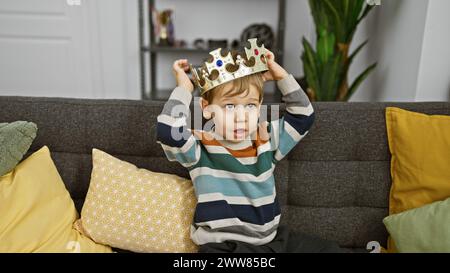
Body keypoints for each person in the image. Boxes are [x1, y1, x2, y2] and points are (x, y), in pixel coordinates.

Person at [156, 41, 343, 253]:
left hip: (271, 240)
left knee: (330, 250)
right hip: (223, 247)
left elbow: (303, 116)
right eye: (229, 106)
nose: (241, 117)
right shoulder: (200, 146)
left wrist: (280, 76)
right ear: (207, 110)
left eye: (251, 106)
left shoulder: (265, 138)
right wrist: (184, 88)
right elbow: (167, 130)